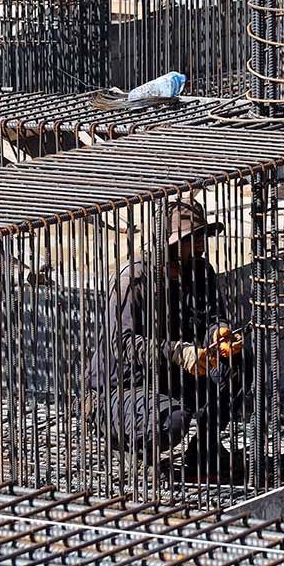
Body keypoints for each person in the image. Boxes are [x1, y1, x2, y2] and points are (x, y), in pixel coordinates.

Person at [90, 198, 251, 482]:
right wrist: (176, 352)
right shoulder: (134, 279)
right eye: (193, 236)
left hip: (176, 376)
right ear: (171, 241)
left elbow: (214, 315)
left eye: (202, 234)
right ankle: (133, 449)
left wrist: (219, 331)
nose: (201, 242)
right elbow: (122, 343)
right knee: (171, 421)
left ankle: (204, 447)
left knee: (240, 363)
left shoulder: (201, 271)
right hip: (127, 387)